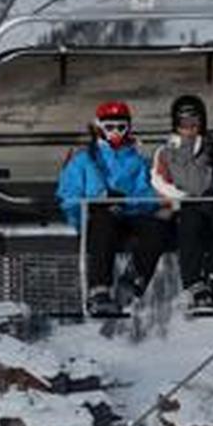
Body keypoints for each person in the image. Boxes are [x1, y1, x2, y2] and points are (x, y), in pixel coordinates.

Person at [58, 99, 165, 316]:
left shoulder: (137, 160)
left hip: (128, 216)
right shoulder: (84, 159)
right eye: (109, 127)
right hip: (97, 217)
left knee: (156, 228)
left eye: (120, 127)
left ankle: (134, 278)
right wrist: (98, 202)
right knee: (103, 222)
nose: (115, 132)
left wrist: (125, 202)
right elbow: (68, 195)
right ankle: (99, 290)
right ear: (99, 127)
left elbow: (147, 196)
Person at [150, 93, 213, 311]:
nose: (189, 128)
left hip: (211, 199)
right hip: (185, 205)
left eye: (194, 122)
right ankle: (194, 283)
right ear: (176, 124)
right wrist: (179, 197)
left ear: (201, 123)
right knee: (191, 224)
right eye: (183, 123)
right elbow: (158, 180)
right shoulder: (166, 151)